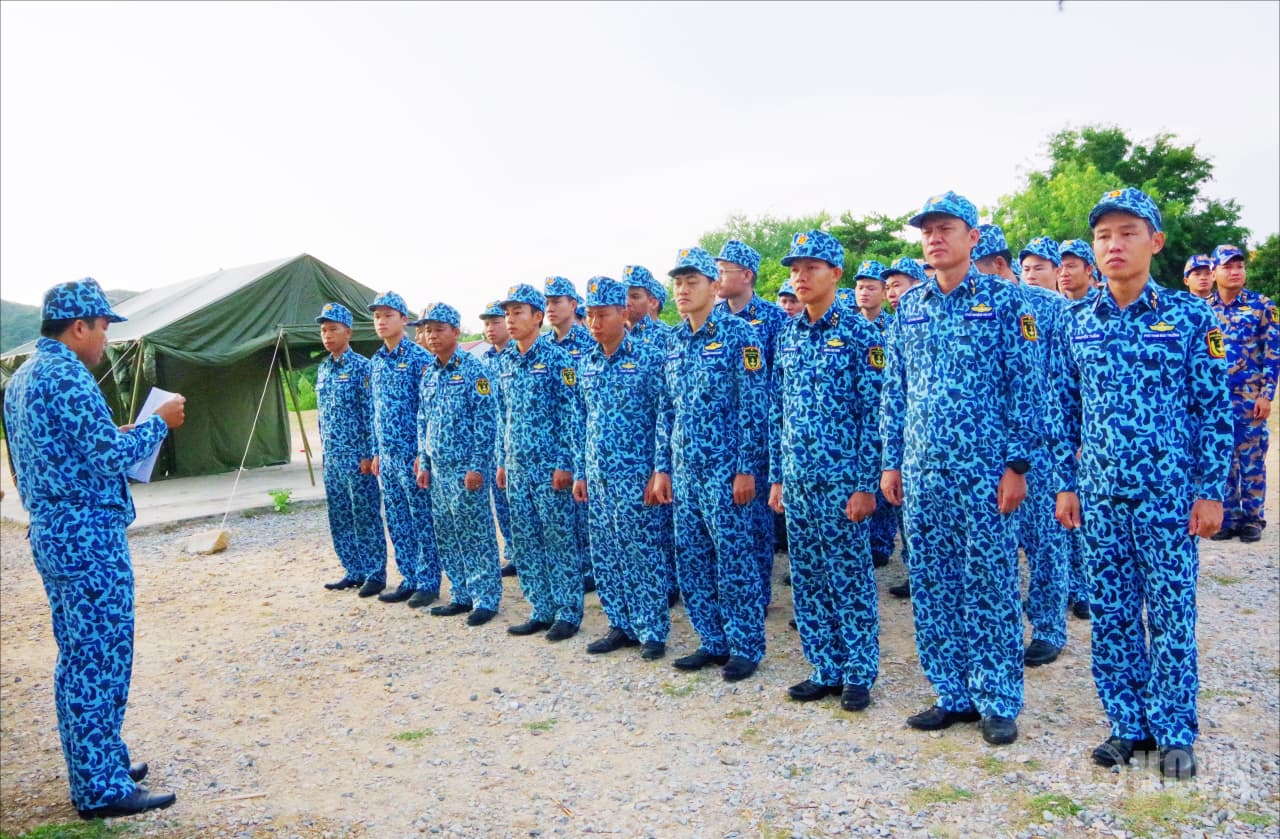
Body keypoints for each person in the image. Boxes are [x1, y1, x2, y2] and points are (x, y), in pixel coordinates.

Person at [1050, 188, 1231, 779]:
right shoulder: (1075, 321)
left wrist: (1210, 492)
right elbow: (1064, 410)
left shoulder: (1190, 316)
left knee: (1173, 614)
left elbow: (1213, 408)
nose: (1113, 245)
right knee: (1114, 614)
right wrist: (1066, 484)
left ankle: (1175, 729)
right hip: (1100, 496)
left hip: (1170, 496)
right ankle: (1127, 725)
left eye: (1127, 232)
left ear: (1155, 242)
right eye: (1103, 235)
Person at [4, 278, 185, 818]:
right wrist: (157, 425)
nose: (106, 337)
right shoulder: (67, 375)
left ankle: (99, 761)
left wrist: (121, 430)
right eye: (103, 326)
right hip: (86, 536)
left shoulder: (25, 375)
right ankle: (100, 788)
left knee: (81, 655)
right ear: (78, 326)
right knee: (99, 657)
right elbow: (107, 456)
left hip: (57, 531)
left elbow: (71, 448)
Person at [881, 191, 1043, 746]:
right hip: (924, 471)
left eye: (946, 227)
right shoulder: (911, 305)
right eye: (927, 229)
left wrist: (1017, 465)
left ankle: (997, 698)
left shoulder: (1005, 301)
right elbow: (894, 389)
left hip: (986, 472)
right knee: (933, 584)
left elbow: (1028, 389)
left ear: (974, 238)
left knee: (991, 585)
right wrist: (890, 461)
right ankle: (952, 692)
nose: (934, 237)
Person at [768, 230, 884, 712]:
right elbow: (779, 411)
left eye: (811, 267)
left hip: (842, 483)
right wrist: (777, 476)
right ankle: (824, 666)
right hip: (798, 479)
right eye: (795, 268)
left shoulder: (862, 333)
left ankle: (859, 671)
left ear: (836, 274)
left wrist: (865, 484)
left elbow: (876, 413)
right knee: (809, 574)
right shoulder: (788, 335)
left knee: (849, 575)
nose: (800, 276)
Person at [651, 246, 769, 682]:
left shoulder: (740, 336)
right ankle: (711, 640)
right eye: (678, 283)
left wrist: (746, 468)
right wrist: (662, 467)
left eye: (692, 282)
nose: (682, 290)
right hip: (685, 470)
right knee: (693, 558)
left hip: (725, 470)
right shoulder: (674, 341)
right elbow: (667, 410)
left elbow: (754, 407)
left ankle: (745, 645)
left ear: (715, 286)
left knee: (734, 558)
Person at [574, 277, 672, 660]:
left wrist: (658, 469)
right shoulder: (587, 363)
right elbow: (583, 421)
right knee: (607, 552)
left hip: (638, 474)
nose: (595, 324)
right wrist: (582, 471)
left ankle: (652, 629)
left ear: (624, 313)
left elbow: (663, 416)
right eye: (590, 316)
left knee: (643, 552)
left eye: (603, 315)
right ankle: (620, 623)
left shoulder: (648, 358)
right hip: (599, 477)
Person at [493, 284, 585, 641]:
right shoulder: (505, 362)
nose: (511, 320)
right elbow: (502, 416)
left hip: (550, 468)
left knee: (559, 538)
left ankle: (567, 611)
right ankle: (540, 608)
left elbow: (571, 414)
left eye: (519, 312)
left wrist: (566, 463)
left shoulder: (558, 359)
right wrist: (502, 460)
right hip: (517, 469)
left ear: (536, 317)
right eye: (507, 313)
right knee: (527, 539)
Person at [415, 303, 502, 626]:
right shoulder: (429, 373)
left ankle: (485, 598)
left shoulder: (474, 370)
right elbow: (424, 420)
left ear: (455, 331)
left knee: (476, 534)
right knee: (448, 533)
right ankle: (460, 594)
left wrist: (478, 466)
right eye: (427, 330)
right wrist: (423, 461)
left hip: (466, 470)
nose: (431, 336)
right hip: (438, 471)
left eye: (439, 329)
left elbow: (485, 420)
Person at [714, 240, 788, 605]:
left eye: (723, 270)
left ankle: (757, 596)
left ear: (746, 276)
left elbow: (778, 382)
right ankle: (732, 596)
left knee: (756, 521)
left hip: (758, 432)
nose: (717, 277)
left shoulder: (773, 318)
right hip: (716, 440)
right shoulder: (712, 318)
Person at [1010, 236, 1072, 667]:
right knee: (1001, 546)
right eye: (1026, 267)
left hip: (1046, 445)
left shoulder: (1061, 311)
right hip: (1001, 445)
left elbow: (1072, 381)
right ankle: (1007, 626)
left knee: (1045, 541)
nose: (1032, 275)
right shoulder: (996, 306)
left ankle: (1049, 626)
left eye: (1041, 267)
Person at [368, 291, 440, 608]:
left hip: (413, 456)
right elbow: (376, 410)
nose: (381, 321)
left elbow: (428, 413)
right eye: (377, 316)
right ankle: (408, 577)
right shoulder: (377, 361)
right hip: (389, 456)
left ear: (404, 320)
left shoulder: (420, 359)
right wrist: (376, 452)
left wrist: (423, 456)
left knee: (421, 520)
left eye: (388, 315)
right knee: (397, 520)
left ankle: (428, 582)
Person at [1208, 244, 1278, 543]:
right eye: (1228, 266)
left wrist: (1266, 394)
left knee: (1250, 459)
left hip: (1250, 397)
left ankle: (1252, 519)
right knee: (1220, 456)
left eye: (1239, 266)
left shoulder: (1263, 306)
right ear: (1214, 272)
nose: (1235, 271)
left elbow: (1273, 353)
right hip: (1216, 400)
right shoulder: (1204, 309)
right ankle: (1228, 516)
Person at [315, 303, 387, 597]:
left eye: (333, 329)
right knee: (340, 515)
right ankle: (353, 570)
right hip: (333, 457)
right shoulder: (323, 368)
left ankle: (374, 573)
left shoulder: (361, 367)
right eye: (323, 330)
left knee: (365, 514)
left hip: (358, 457)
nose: (327, 335)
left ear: (348, 332)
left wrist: (370, 453)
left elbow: (371, 412)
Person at [879, 257, 926, 601]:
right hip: (914, 454)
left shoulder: (999, 301)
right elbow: (892, 396)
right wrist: (890, 460)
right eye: (889, 286)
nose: (892, 292)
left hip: (974, 463)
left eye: (899, 284)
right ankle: (917, 573)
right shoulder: (898, 325)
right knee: (913, 526)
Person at [543, 276, 595, 591]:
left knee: (585, 512)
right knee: (562, 516)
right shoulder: (545, 347)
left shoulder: (589, 342)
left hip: (584, 442)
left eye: (556, 302)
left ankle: (590, 569)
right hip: (552, 444)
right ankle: (572, 568)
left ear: (573, 305)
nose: (550, 308)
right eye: (547, 302)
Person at [853, 259, 897, 571]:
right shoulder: (851, 327)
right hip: (859, 415)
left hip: (884, 413)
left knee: (881, 488)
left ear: (883, 292)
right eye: (860, 287)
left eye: (871, 287)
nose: (864, 292)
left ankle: (880, 543)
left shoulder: (892, 327)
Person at [480, 301, 519, 578]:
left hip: (516, 444)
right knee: (502, 503)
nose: (490, 328)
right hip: (493, 445)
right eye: (486, 323)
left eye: (495, 321)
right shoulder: (485, 362)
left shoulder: (516, 357)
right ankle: (514, 553)